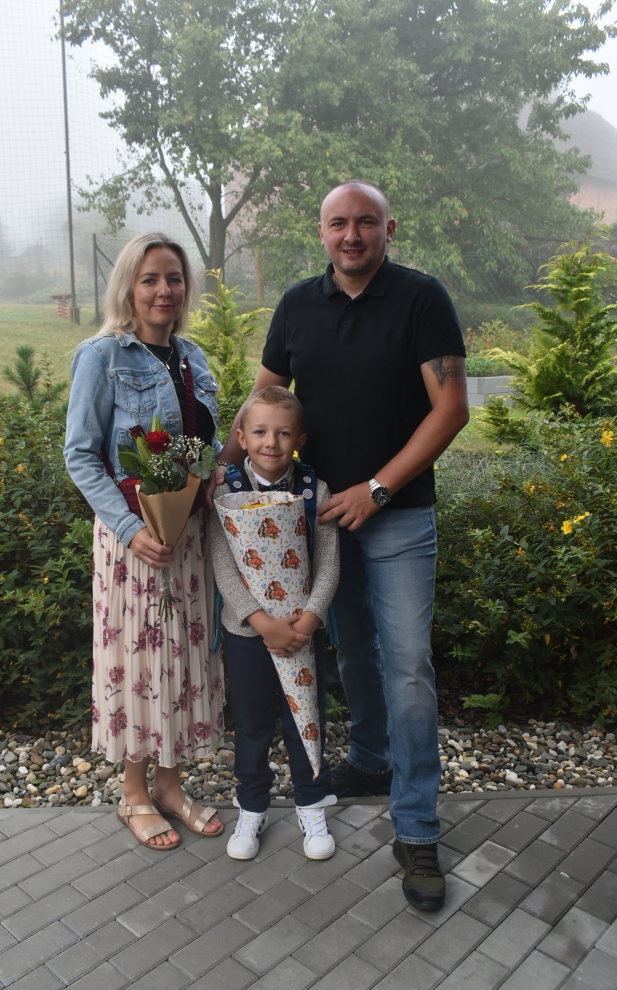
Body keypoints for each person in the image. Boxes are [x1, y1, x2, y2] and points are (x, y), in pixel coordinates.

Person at [216, 181, 469, 909]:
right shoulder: (298, 304)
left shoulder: (421, 299)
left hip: (396, 516)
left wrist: (377, 490)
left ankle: (416, 828)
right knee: (351, 650)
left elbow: (451, 407)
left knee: (408, 668)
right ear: (321, 232)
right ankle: (369, 759)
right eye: (338, 223)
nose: (351, 235)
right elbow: (258, 405)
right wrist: (216, 479)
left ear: (389, 227)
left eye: (365, 222)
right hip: (314, 522)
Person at [64, 232, 228, 850]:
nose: (165, 290)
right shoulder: (100, 356)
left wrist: (214, 476)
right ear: (129, 288)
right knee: (138, 664)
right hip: (133, 544)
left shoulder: (193, 359)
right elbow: (82, 456)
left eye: (175, 279)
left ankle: (169, 784)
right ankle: (133, 793)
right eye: (151, 279)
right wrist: (132, 530)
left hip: (187, 541)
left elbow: (201, 444)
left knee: (180, 662)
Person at [210, 386, 340, 861]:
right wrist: (261, 621)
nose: (271, 442)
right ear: (241, 437)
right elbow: (223, 564)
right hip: (248, 634)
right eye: (260, 432)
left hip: (303, 632)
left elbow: (328, 562)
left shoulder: (314, 490)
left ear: (299, 439)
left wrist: (310, 618)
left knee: (306, 718)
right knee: (253, 722)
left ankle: (312, 804)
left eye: (283, 433)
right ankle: (252, 807)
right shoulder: (225, 493)